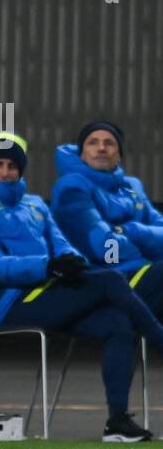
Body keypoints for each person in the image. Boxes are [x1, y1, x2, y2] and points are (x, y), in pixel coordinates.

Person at [0, 131, 163, 442]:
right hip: (12, 302)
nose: (5, 171)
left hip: (50, 292)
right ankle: (160, 338)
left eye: (13, 165)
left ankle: (117, 424)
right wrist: (46, 266)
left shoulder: (35, 204)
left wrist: (71, 263)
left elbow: (64, 246)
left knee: (118, 324)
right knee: (110, 279)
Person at [51, 120, 163, 314]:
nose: (101, 148)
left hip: (142, 271)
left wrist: (132, 231)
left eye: (109, 143)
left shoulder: (132, 186)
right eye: (93, 142)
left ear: (119, 155)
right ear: (82, 154)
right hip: (102, 279)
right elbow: (106, 251)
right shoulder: (71, 187)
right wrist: (147, 250)